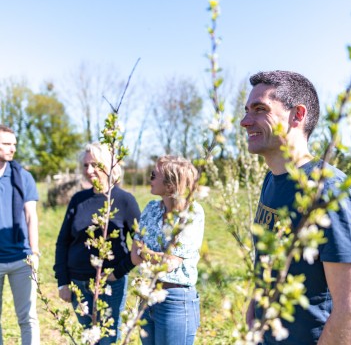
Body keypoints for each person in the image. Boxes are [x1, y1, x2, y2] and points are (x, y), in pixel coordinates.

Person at [240, 70, 351, 344]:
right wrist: (252, 316)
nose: (245, 121)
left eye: (260, 109)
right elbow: (267, 266)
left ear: (297, 115)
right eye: (247, 110)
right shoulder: (271, 180)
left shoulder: (328, 192)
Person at [54, 142, 141, 344]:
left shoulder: (124, 200)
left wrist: (118, 272)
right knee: (88, 338)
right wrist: (63, 282)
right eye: (85, 165)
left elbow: (141, 243)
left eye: (95, 164)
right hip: (78, 285)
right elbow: (63, 242)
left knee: (106, 339)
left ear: (109, 165)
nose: (89, 170)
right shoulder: (78, 199)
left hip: (109, 286)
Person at [131, 155, 205, 345]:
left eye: (154, 175)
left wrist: (145, 253)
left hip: (175, 302)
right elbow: (134, 256)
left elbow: (170, 264)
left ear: (171, 184)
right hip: (148, 296)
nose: (149, 178)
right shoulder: (151, 208)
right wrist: (155, 257)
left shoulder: (192, 213)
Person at [0, 124, 40, 345]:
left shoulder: (23, 177)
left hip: (21, 258)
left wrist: (34, 252)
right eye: (6, 144)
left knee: (28, 318)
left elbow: (31, 216)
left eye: (14, 144)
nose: (12, 149)